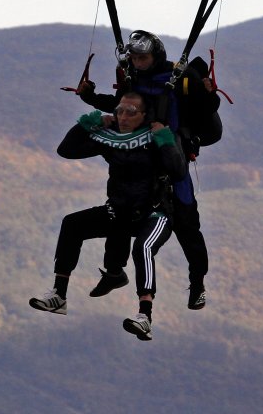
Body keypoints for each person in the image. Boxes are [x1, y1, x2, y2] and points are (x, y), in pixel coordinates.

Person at [77, 30, 220, 310]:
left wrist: (207, 92)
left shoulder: (181, 78)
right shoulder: (134, 78)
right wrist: (90, 98)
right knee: (120, 208)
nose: (138, 62)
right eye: (135, 57)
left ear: (155, 56)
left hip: (171, 153)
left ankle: (198, 283)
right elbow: (122, 106)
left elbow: (206, 107)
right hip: (142, 159)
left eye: (143, 57)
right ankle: (114, 271)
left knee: (187, 223)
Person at [29, 92, 187, 340]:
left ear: (145, 116)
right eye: (120, 111)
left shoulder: (157, 137)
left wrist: (164, 139)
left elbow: (178, 171)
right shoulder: (111, 140)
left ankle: (145, 315)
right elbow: (66, 150)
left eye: (131, 112)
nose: (123, 117)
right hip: (121, 210)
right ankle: (59, 295)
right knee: (72, 224)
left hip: (155, 213)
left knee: (143, 247)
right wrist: (86, 125)